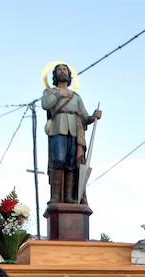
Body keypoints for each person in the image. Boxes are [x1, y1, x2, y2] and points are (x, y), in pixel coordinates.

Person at [41, 63, 102, 204]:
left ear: (69, 75)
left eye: (65, 70)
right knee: (58, 161)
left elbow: (84, 117)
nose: (62, 72)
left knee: (72, 163)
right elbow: (46, 104)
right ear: (55, 75)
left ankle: (69, 196)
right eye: (59, 70)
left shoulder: (76, 97)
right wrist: (59, 93)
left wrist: (94, 116)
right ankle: (56, 197)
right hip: (58, 129)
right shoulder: (50, 92)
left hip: (74, 132)